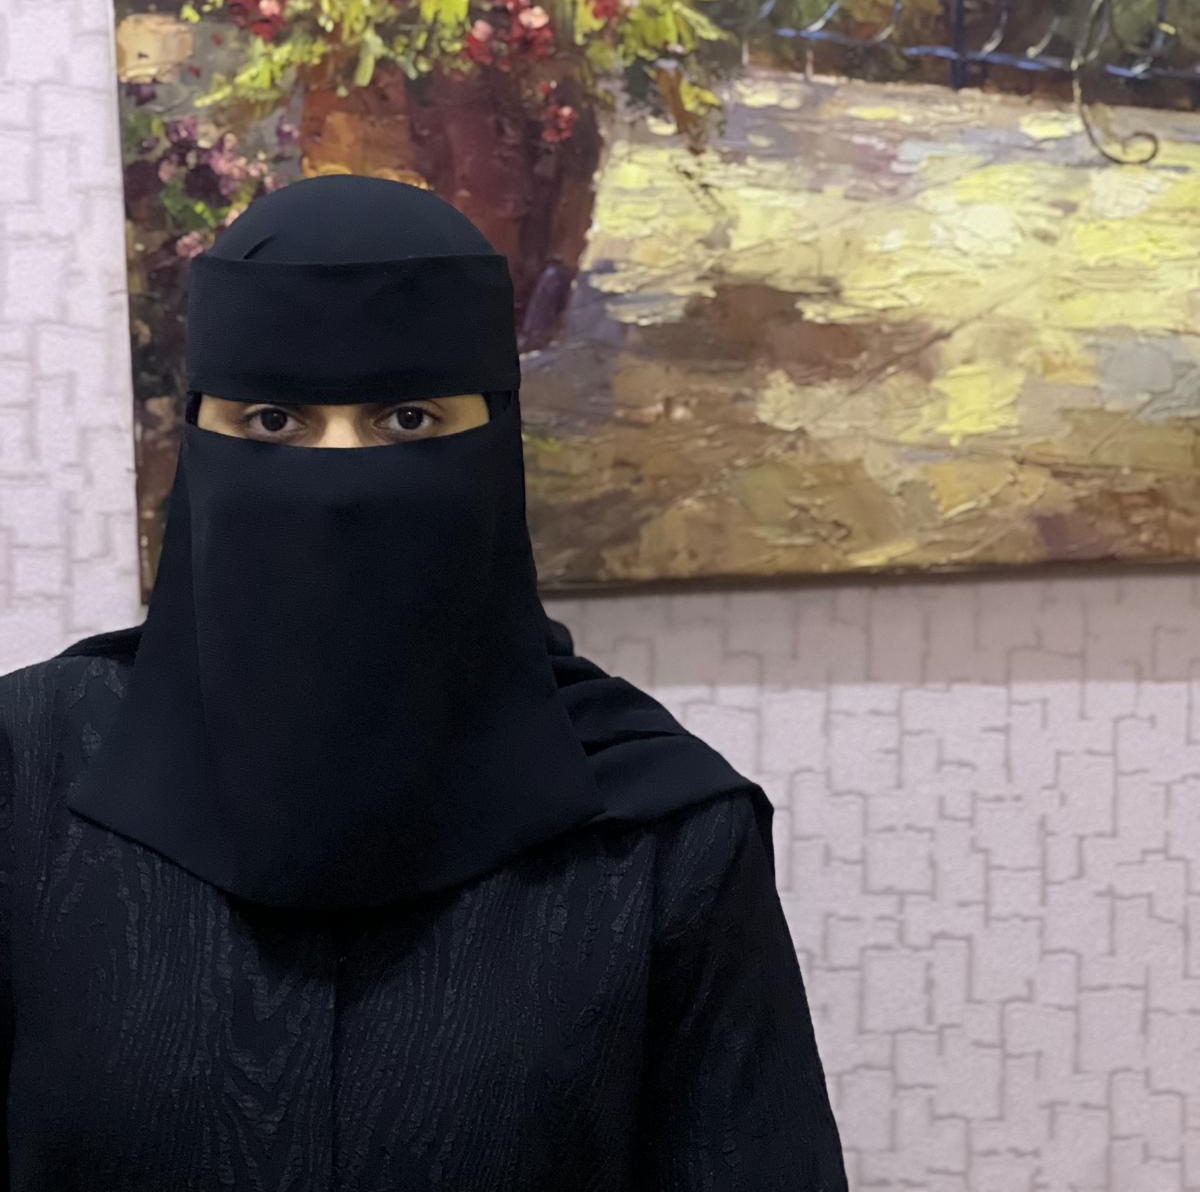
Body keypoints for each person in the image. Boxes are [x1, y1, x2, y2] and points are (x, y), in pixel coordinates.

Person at [0, 174, 848, 1191]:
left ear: (497, 440)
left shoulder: (662, 834)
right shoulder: (29, 774)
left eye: (406, 419)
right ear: (198, 436)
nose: (340, 480)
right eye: (272, 419)